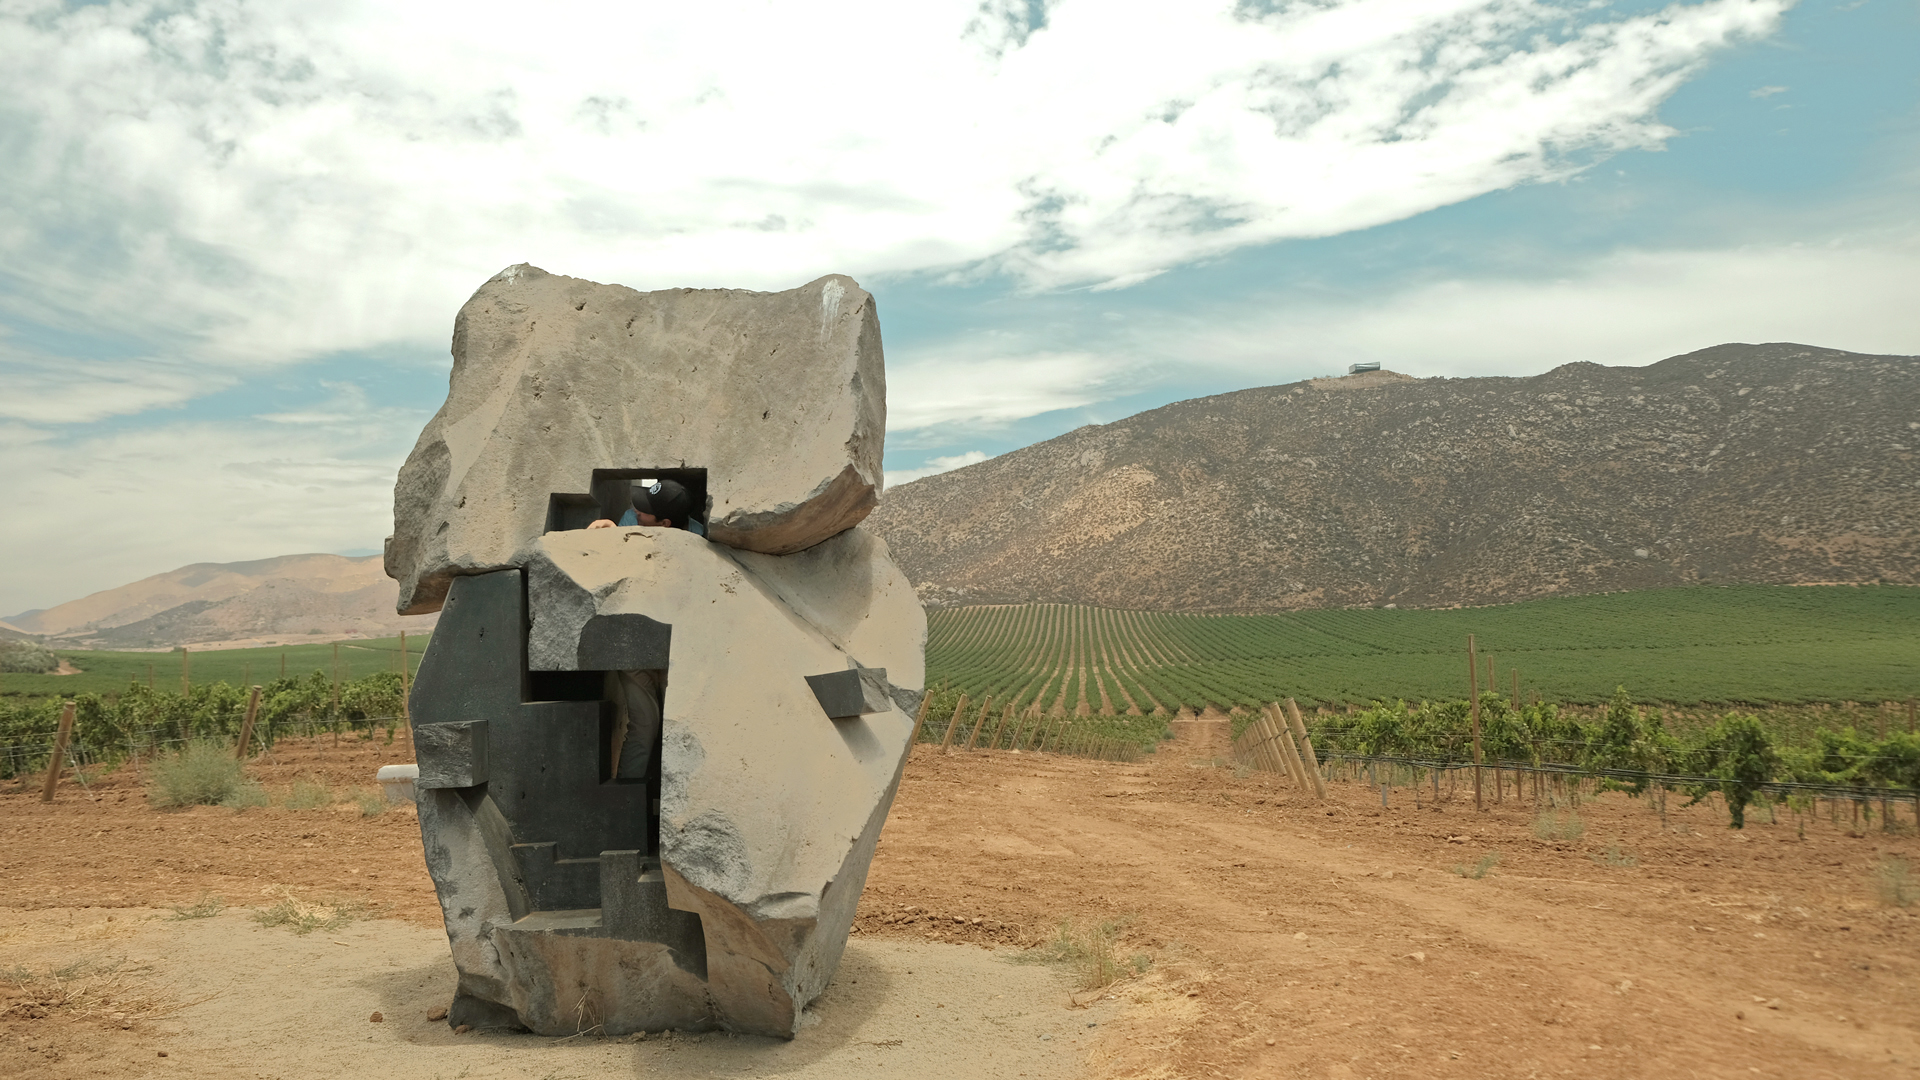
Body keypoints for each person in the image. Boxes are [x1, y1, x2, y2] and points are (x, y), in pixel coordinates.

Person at [588, 478, 695, 531]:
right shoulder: (631, 519)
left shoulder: (698, 536)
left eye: (645, 509)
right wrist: (614, 532)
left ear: (664, 523)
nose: (636, 511)